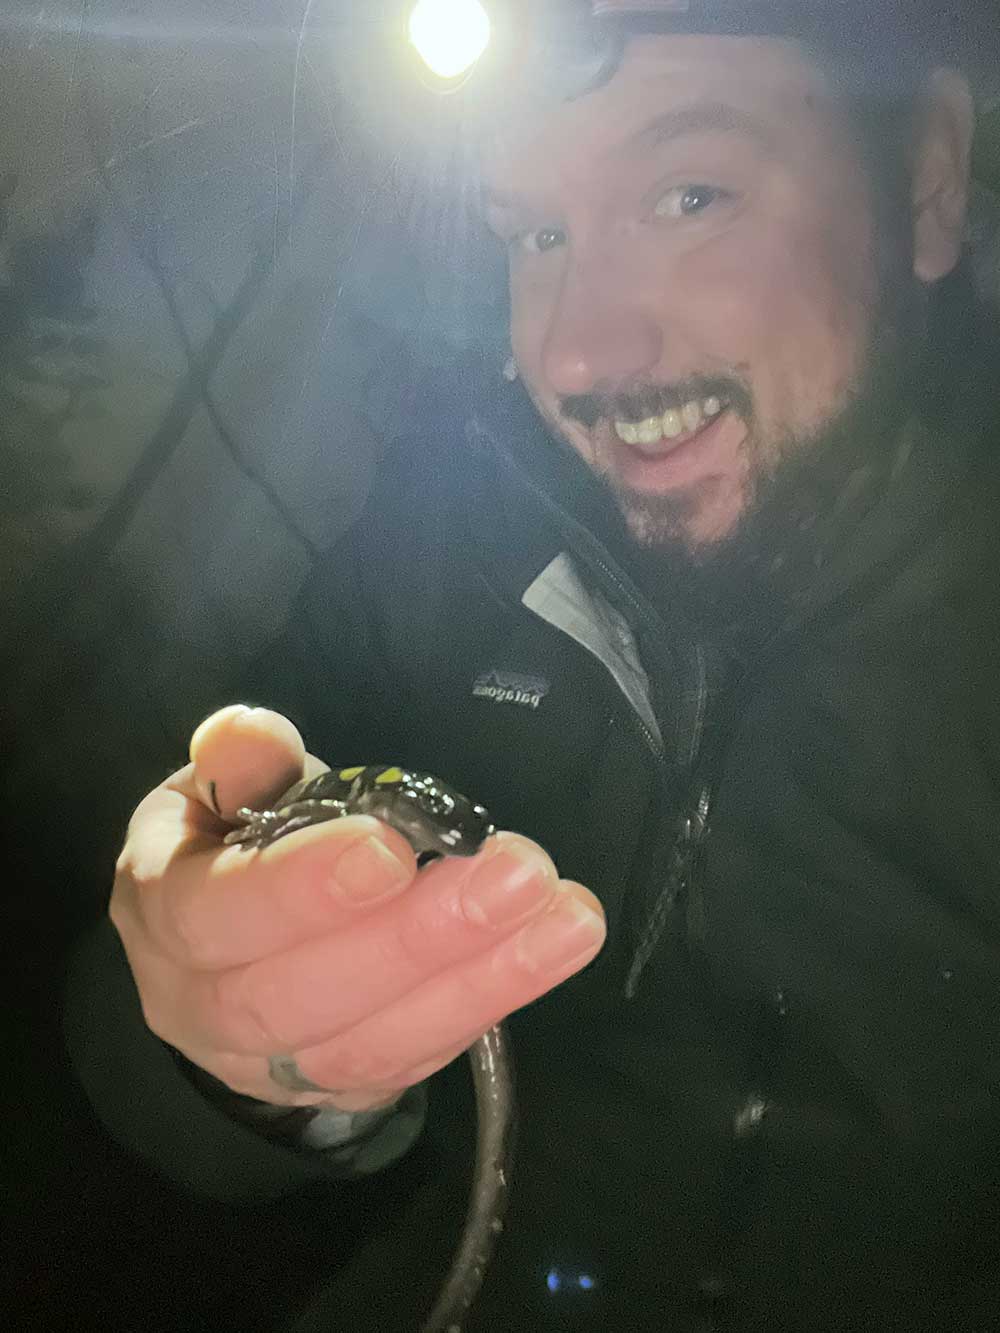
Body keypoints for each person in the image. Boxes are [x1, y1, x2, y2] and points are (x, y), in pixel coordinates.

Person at [64, 2, 1000, 1329]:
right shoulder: (455, 515)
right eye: (537, 234)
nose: (575, 353)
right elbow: (144, 961)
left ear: (925, 178)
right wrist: (228, 1045)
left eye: (690, 194)